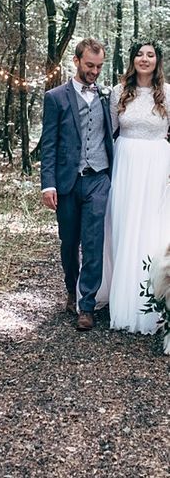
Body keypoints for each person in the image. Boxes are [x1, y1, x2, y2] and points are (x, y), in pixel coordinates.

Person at [41, 38, 114, 331]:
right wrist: (48, 185)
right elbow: (49, 144)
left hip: (99, 178)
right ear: (76, 61)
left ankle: (87, 305)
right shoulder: (55, 97)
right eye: (89, 65)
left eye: (98, 66)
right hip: (68, 182)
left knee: (93, 242)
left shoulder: (107, 98)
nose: (94, 71)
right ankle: (71, 289)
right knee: (69, 242)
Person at [99, 39, 170, 334]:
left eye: (150, 55)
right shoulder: (118, 92)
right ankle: (122, 297)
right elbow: (107, 133)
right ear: (132, 60)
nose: (144, 59)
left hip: (157, 164)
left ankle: (153, 302)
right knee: (124, 227)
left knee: (153, 227)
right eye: (139, 54)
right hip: (126, 164)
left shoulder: (166, 94)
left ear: (157, 61)